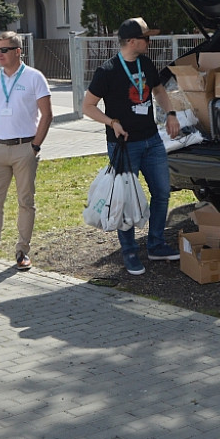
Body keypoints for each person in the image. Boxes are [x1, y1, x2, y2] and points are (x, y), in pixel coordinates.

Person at [82, 17, 181, 276]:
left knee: (162, 192)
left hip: (152, 141)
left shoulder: (146, 63)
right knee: (124, 200)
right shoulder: (107, 70)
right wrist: (111, 122)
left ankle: (156, 244)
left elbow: (158, 90)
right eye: (146, 38)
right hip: (123, 146)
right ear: (132, 41)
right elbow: (88, 107)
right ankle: (129, 252)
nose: (150, 42)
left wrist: (170, 114)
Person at [0, 32, 53, 273]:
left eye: (4, 50)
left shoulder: (35, 78)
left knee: (25, 202)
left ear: (18, 51)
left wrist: (34, 147)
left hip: (24, 148)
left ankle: (22, 251)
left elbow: (46, 115)